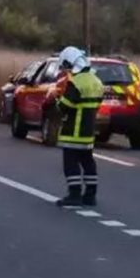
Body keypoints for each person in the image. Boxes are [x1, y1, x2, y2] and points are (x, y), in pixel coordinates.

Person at [54, 46, 105, 207]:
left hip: (73, 131)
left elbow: (64, 107)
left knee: (71, 163)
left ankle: (74, 194)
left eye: (67, 66)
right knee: (88, 162)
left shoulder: (75, 83)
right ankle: (90, 195)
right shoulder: (97, 82)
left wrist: (56, 100)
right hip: (88, 132)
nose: (67, 71)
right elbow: (97, 105)